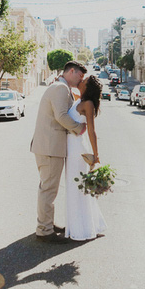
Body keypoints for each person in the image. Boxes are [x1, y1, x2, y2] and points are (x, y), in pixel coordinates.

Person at [30, 61, 87, 243]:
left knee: (48, 187)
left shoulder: (61, 86)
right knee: (48, 189)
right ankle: (44, 230)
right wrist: (80, 128)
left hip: (49, 146)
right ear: (71, 71)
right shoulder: (60, 88)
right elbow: (61, 116)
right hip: (49, 147)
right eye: (80, 75)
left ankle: (46, 223)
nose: (81, 79)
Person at [64, 74, 107, 241]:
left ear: (88, 88)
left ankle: (82, 228)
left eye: (84, 81)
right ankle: (86, 224)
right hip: (71, 148)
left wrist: (96, 155)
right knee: (74, 187)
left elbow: (91, 130)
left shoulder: (87, 104)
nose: (81, 81)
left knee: (77, 189)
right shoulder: (79, 100)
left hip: (77, 150)